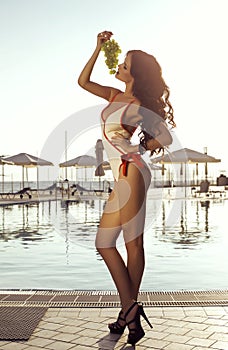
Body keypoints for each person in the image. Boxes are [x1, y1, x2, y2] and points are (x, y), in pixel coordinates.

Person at [78, 30, 175, 345]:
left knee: (105, 243)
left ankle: (129, 308)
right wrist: (97, 48)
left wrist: (140, 149)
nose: (118, 67)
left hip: (130, 170)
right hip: (127, 172)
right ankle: (129, 318)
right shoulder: (113, 95)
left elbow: (166, 138)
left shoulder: (137, 104)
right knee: (132, 246)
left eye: (125, 64)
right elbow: (82, 82)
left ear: (135, 74)